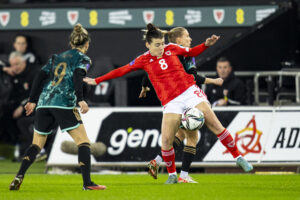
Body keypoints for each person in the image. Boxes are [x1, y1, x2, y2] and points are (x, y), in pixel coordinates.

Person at [84, 23, 253, 184]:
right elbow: (121, 70)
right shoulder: (143, 59)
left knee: (215, 125)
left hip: (189, 92)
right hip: (171, 101)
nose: (161, 48)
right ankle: (173, 175)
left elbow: (193, 52)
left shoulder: (172, 49)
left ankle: (239, 158)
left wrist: (206, 44)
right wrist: (98, 80)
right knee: (166, 140)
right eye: (157, 45)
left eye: (162, 43)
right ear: (148, 45)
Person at [9, 24, 106, 191]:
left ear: (70, 43)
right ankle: (87, 183)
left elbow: (40, 76)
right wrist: (81, 99)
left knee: (36, 145)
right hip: (64, 103)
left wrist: (32, 100)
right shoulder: (83, 59)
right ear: (87, 44)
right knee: (83, 142)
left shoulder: (56, 58)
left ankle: (19, 176)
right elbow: (78, 76)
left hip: (44, 103)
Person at [139, 27, 223, 183]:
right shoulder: (184, 54)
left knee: (181, 134)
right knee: (192, 136)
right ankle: (183, 175)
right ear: (178, 40)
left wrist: (144, 86)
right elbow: (193, 76)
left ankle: (157, 162)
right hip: (185, 99)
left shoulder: (162, 53)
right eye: (187, 36)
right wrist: (214, 81)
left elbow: (148, 71)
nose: (190, 39)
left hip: (172, 100)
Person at [0, 51, 39, 158]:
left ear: (24, 62)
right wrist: (4, 69)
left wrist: (22, 106)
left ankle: (32, 148)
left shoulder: (34, 72)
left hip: (37, 105)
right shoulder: (14, 75)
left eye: (17, 64)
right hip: (19, 104)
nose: (15, 67)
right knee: (5, 112)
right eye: (12, 65)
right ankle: (13, 145)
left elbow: (36, 93)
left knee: (22, 120)